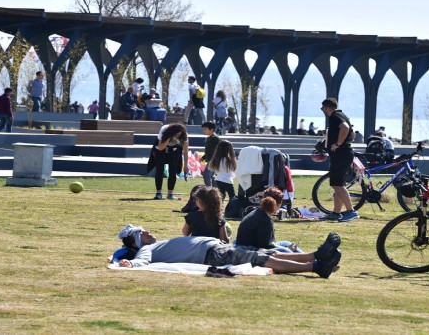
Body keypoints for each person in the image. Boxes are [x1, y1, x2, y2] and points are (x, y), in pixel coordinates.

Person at [116, 224, 342, 278]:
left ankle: (316, 256)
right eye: (143, 232)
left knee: (265, 255)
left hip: (217, 248)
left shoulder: (155, 244)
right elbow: (141, 261)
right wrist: (131, 264)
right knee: (261, 260)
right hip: (212, 255)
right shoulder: (146, 251)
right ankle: (315, 266)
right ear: (136, 241)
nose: (148, 232)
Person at [319, 97, 359, 222]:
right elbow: (352, 133)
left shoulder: (335, 116)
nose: (323, 111)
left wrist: (337, 144)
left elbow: (345, 128)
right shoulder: (342, 115)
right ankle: (336, 213)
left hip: (341, 154)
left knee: (337, 184)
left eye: (322, 109)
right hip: (344, 154)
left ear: (326, 107)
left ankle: (351, 211)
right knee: (338, 184)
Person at [235, 187, 301, 253]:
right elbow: (264, 245)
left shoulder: (258, 212)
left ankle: (309, 259)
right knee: (287, 251)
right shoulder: (265, 220)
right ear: (278, 204)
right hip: (250, 250)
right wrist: (285, 248)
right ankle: (307, 260)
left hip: (245, 246)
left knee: (287, 243)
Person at [151, 123, 189, 200]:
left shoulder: (184, 135)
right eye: (176, 134)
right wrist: (168, 138)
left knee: (173, 170)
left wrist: (185, 166)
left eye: (179, 135)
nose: (177, 136)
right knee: (159, 170)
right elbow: (161, 148)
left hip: (175, 149)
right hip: (161, 148)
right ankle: (158, 193)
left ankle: (170, 194)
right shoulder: (164, 129)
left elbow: (185, 151)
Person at [201, 121, 220, 187]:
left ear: (211, 129)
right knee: (212, 176)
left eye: (205, 129)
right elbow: (209, 151)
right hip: (211, 160)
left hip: (213, 160)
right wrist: (203, 158)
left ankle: (209, 189)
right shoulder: (209, 138)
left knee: (206, 174)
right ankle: (215, 191)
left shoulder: (215, 138)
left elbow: (217, 150)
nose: (203, 130)